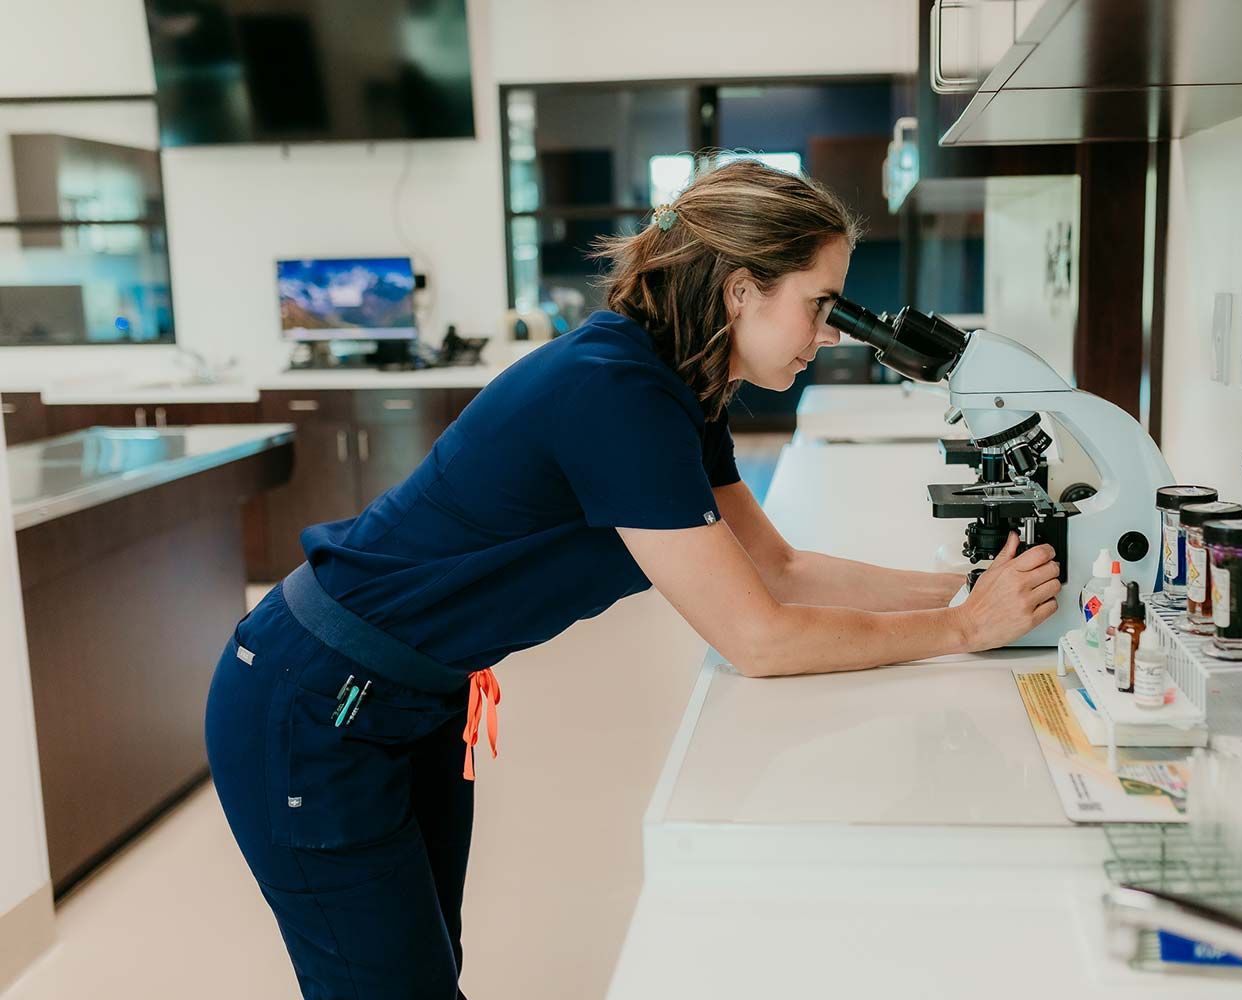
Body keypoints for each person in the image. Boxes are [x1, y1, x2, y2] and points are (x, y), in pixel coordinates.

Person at [204, 159, 1060, 999]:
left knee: (425, 972)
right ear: (739, 290)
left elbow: (778, 566)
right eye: (819, 306)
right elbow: (757, 638)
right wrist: (960, 631)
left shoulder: (681, 386)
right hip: (314, 702)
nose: (831, 334)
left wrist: (962, 591)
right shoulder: (614, 392)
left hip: (406, 700)